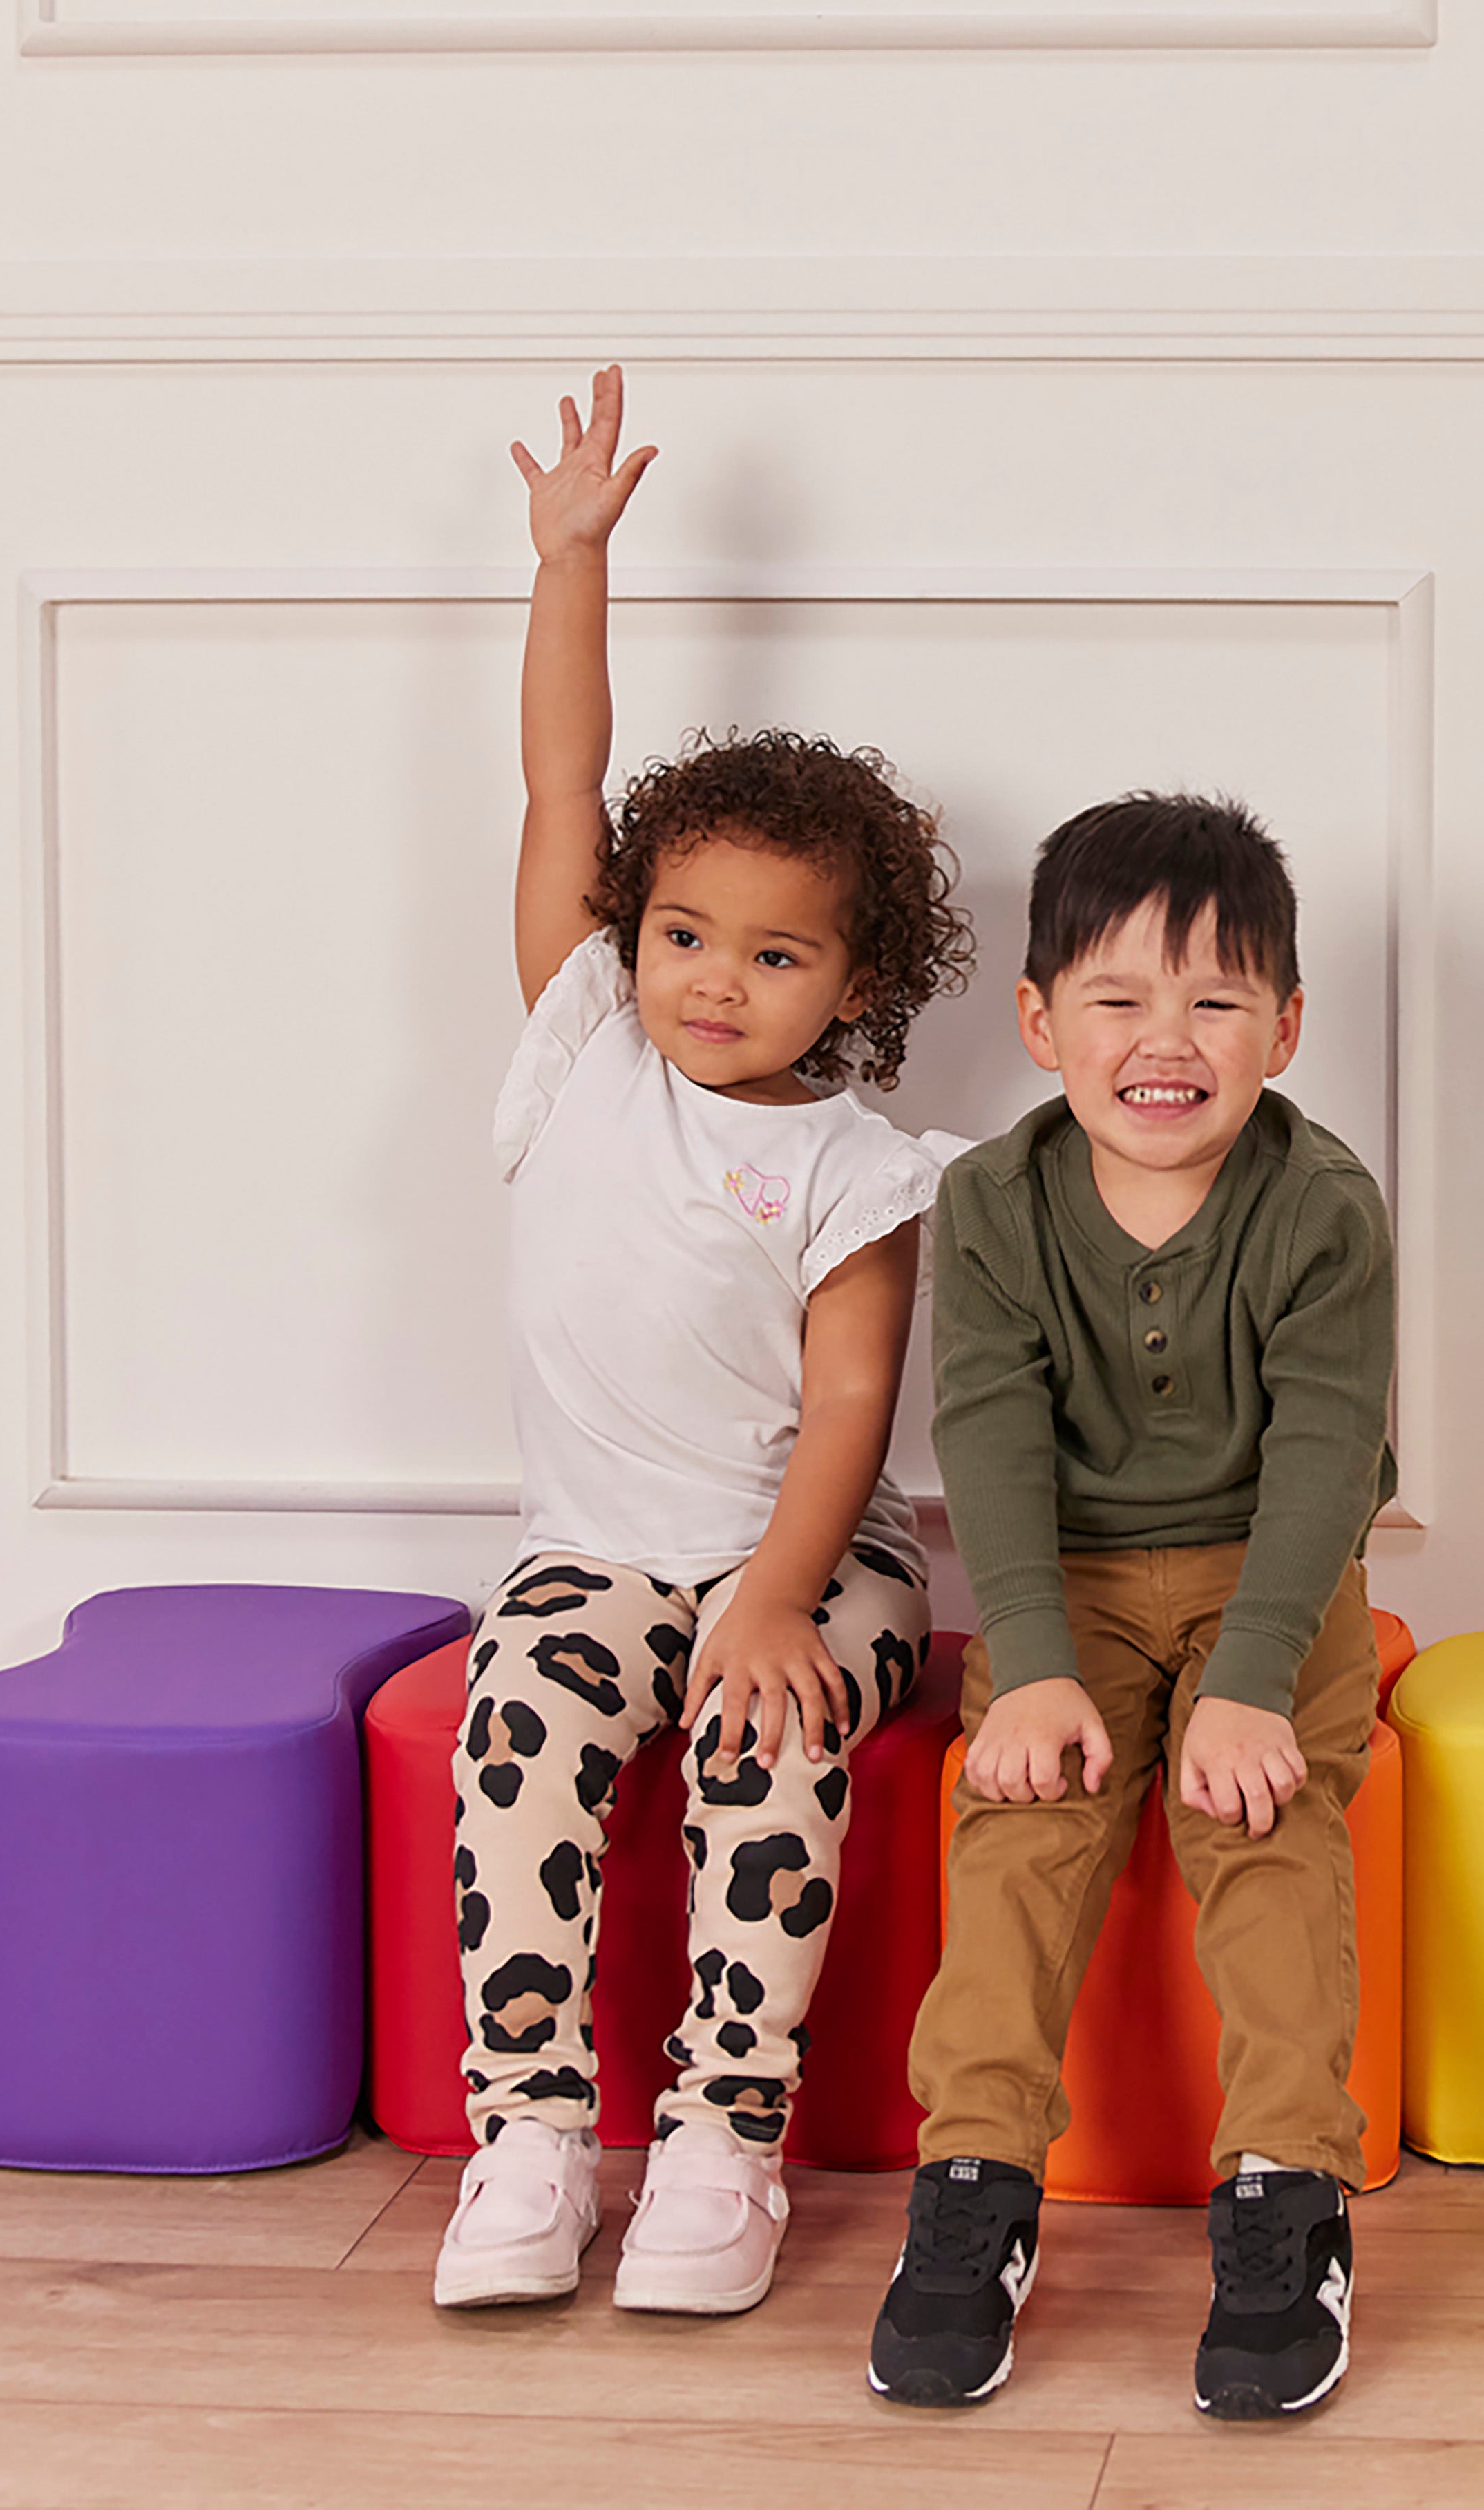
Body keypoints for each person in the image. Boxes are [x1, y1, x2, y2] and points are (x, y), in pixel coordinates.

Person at [433, 367, 971, 2316]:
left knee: (771, 1757)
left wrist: (774, 1600)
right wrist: (572, 560)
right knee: (521, 1734)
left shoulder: (858, 1165)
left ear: (856, 981)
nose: (712, 979)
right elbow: (558, 788)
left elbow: (852, 1404)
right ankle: (533, 2133)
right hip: (592, 1549)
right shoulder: (579, 1049)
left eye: (774, 951)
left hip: (812, 1553)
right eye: (682, 933)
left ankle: (724, 2147)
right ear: (629, 934)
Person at [868, 793, 1395, 2418]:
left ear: (1284, 1028)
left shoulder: (1319, 1205)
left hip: (1269, 1569)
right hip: (1070, 1580)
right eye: (1118, 996)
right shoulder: (993, 1203)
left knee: (1264, 1830)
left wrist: (1249, 1674)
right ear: (1038, 1021)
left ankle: (1283, 2190)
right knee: (1022, 1832)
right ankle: (971, 2184)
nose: (1166, 1037)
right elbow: (990, 1433)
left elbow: (1325, 1453)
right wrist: (1022, 1660)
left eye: (1217, 999)